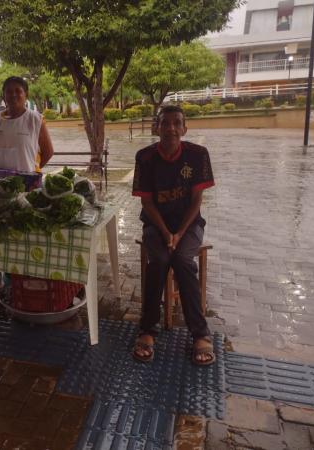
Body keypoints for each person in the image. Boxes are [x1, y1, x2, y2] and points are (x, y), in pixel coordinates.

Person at [131, 105, 216, 366]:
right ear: (156, 127)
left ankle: (200, 334)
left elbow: (196, 202)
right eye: (164, 123)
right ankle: (148, 330)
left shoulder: (198, 155)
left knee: (181, 261)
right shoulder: (144, 157)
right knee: (158, 260)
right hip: (156, 226)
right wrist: (167, 233)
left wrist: (179, 233)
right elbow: (147, 204)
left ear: (184, 128)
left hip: (189, 225)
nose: (170, 128)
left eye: (176, 123)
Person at [0, 76, 54, 174]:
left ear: (26, 95)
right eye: (9, 92)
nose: (13, 95)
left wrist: (32, 170)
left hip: (28, 185)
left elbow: (48, 152)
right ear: (3, 96)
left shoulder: (36, 119)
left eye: (18, 91)